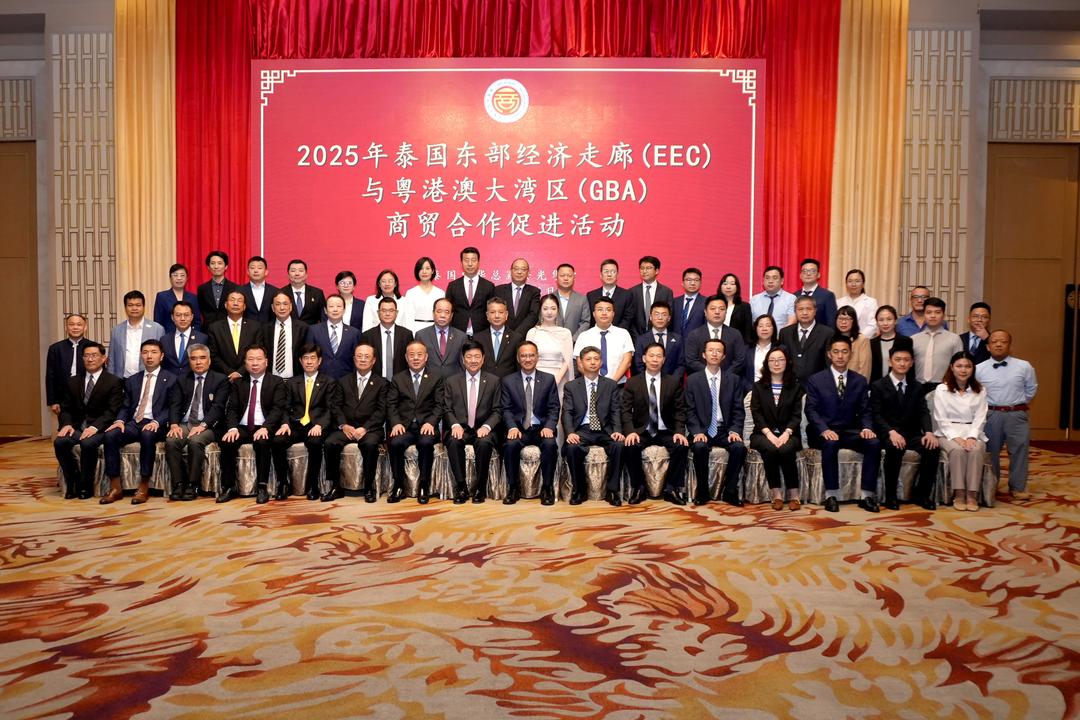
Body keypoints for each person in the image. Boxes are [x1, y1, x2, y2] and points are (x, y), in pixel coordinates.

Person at [804, 336, 881, 513]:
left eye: (844, 352)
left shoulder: (859, 380)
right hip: (824, 431)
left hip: (849, 431)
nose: (840, 356)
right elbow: (811, 410)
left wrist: (867, 427)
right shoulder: (816, 379)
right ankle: (831, 495)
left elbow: (866, 410)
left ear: (850, 354)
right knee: (831, 443)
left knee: (874, 443)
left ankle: (866, 496)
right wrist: (824, 429)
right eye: (836, 352)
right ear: (829, 354)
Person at [101, 340, 176, 505]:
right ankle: (115, 487)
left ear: (161, 356)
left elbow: (171, 407)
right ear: (141, 355)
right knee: (110, 435)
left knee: (147, 434)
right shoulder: (132, 380)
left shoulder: (171, 379)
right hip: (134, 422)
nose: (149, 356)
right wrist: (120, 420)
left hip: (156, 423)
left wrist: (157, 421)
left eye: (154, 352)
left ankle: (143, 486)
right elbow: (126, 405)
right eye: (145, 352)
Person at [620, 342, 690, 506]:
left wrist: (679, 431)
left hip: (665, 430)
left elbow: (680, 410)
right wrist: (630, 431)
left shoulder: (673, 382)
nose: (655, 359)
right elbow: (625, 411)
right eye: (651, 356)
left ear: (664, 360)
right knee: (630, 446)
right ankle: (638, 488)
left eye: (659, 356)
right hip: (642, 430)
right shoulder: (633, 382)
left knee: (681, 446)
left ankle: (672, 489)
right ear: (644, 358)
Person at [216, 345, 288, 504]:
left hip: (264, 425)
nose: (255, 363)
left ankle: (262, 487)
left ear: (266, 362)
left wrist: (266, 427)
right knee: (227, 441)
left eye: (258, 359)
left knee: (262, 442)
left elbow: (277, 409)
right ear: (245, 363)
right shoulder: (238, 383)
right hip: (243, 426)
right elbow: (232, 409)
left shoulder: (276, 382)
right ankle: (229, 487)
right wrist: (232, 428)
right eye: (250, 359)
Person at [871, 346, 940, 511]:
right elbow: (876, 415)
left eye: (906, 360)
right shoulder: (878, 385)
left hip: (912, 433)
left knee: (932, 448)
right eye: (898, 360)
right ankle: (890, 497)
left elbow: (923, 411)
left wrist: (929, 432)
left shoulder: (916, 386)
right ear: (890, 362)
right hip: (889, 433)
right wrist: (891, 432)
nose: (902, 363)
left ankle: (922, 495)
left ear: (911, 363)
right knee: (895, 447)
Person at [54, 341, 124, 499]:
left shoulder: (114, 382)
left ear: (104, 358)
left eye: (94, 355)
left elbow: (112, 411)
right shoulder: (73, 381)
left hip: (100, 428)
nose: (90, 359)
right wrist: (67, 424)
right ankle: (72, 482)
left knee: (88, 443)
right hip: (77, 427)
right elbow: (66, 408)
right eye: (86, 356)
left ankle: (86, 485)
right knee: (60, 442)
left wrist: (94, 427)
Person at [272, 343, 341, 501]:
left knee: (315, 443)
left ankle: (313, 485)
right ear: (300, 361)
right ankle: (283, 483)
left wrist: (320, 425)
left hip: (316, 425)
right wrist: (285, 423)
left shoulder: (329, 382)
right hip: (296, 425)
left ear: (319, 361)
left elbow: (331, 409)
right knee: (277, 441)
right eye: (305, 358)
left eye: (312, 358)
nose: (309, 361)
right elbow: (285, 407)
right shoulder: (291, 383)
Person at [976, 330, 1038, 500]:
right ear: (988, 347)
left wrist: (1015, 403)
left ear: (1009, 345)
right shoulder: (979, 369)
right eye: (994, 341)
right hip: (990, 415)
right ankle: (991, 485)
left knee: (1019, 451)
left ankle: (1018, 487)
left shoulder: (1024, 366)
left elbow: (1031, 389)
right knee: (990, 452)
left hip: (1016, 414)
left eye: (1003, 341)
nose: (998, 344)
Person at [685, 338, 747, 506]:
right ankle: (703, 491)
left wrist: (735, 430)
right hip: (702, 430)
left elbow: (738, 410)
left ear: (724, 356)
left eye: (718, 351)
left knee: (739, 447)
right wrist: (697, 432)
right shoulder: (693, 380)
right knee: (699, 447)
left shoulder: (733, 380)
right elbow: (689, 410)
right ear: (703, 355)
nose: (714, 354)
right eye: (711, 350)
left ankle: (730, 492)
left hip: (724, 430)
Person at [324, 342, 388, 503]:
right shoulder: (343, 381)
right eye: (359, 356)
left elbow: (381, 410)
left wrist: (365, 428)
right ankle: (336, 486)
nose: (363, 359)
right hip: (347, 427)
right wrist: (344, 425)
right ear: (354, 359)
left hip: (370, 429)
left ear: (374, 360)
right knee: (330, 443)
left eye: (367, 356)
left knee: (370, 445)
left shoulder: (382, 383)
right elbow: (336, 406)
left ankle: (369, 487)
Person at [165, 343, 228, 502]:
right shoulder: (182, 379)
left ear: (209, 360)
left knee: (195, 441)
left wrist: (203, 425)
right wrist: (174, 424)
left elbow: (218, 407)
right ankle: (179, 484)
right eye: (193, 359)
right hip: (185, 423)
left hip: (209, 425)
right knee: (171, 440)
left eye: (202, 358)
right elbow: (175, 404)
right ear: (189, 361)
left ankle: (193, 485)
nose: (198, 362)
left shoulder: (220, 380)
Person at [561, 346, 624, 505]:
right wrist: (570, 433)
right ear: (581, 363)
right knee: (572, 447)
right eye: (588, 359)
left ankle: (612, 491)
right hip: (582, 429)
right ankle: (579, 491)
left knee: (619, 445)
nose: (593, 362)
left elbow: (615, 410)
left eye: (596, 359)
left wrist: (617, 430)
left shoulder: (610, 385)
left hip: (605, 429)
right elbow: (567, 412)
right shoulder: (571, 386)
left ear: (601, 362)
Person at [501, 341, 561, 505]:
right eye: (524, 356)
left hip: (541, 428)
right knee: (510, 445)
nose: (527, 359)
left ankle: (547, 488)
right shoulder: (508, 381)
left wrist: (549, 426)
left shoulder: (548, 379)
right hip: (519, 429)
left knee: (550, 445)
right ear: (518, 358)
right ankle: (513, 488)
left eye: (531, 355)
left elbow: (554, 407)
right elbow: (506, 409)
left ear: (537, 357)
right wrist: (512, 427)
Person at [443, 340, 503, 504]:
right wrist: (455, 425)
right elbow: (446, 408)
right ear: (463, 360)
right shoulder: (451, 381)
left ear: (483, 359)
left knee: (484, 443)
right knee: (453, 441)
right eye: (469, 357)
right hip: (460, 428)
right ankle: (461, 487)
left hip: (483, 428)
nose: (473, 360)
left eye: (477, 356)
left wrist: (487, 426)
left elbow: (498, 410)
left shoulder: (493, 381)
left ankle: (480, 488)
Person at [386, 340, 443, 503]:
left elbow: (440, 404)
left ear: (426, 357)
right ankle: (398, 485)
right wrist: (396, 423)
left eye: (419, 354)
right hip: (404, 427)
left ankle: (424, 485)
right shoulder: (398, 378)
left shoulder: (436, 378)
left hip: (426, 426)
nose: (416, 358)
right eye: (412, 355)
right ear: (406, 357)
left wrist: (431, 422)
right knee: (395, 443)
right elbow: (391, 404)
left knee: (426, 443)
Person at [749, 346, 804, 510]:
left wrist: (786, 433)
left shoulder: (795, 387)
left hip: (789, 433)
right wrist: (770, 435)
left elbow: (796, 415)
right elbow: (756, 413)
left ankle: (794, 495)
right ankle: (777, 495)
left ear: (787, 362)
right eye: (772, 360)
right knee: (771, 449)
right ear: (767, 364)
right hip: (762, 434)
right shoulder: (758, 387)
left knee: (786, 449)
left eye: (780, 360)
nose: (776, 363)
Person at [932, 351, 988, 511]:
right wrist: (956, 438)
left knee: (975, 450)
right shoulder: (942, 389)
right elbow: (941, 418)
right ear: (952, 367)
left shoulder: (980, 390)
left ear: (973, 368)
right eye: (959, 366)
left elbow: (981, 417)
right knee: (957, 450)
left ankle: (972, 495)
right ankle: (959, 493)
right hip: (947, 433)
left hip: (973, 431)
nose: (963, 370)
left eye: (967, 366)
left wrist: (972, 437)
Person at [575, 296, 635, 385]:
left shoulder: (623, 334)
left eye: (608, 310)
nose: (604, 313)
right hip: (591, 385)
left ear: (613, 314)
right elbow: (580, 364)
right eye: (600, 310)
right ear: (594, 314)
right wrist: (595, 383)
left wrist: (611, 384)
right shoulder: (584, 336)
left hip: (618, 385)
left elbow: (627, 362)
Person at [682, 295, 747, 377]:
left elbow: (740, 360)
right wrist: (710, 373)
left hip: (729, 379)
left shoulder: (735, 334)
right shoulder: (694, 335)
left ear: (726, 312)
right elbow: (691, 360)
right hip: (701, 379)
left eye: (721, 309)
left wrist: (724, 375)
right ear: (705, 312)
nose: (717, 312)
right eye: (713, 309)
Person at [206, 290, 264, 380]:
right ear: (226, 304)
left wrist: (240, 372)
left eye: (239, 301)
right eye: (232, 300)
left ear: (244, 306)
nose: (236, 303)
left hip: (248, 377)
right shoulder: (214, 327)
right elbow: (213, 355)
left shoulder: (255, 327)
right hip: (223, 378)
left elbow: (258, 352)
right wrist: (230, 372)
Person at [526, 293, 575, 399]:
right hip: (536, 380)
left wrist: (555, 381)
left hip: (559, 380)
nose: (549, 312)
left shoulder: (565, 333)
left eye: (553, 308)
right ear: (540, 310)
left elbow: (567, 361)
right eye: (545, 308)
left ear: (558, 310)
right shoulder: (532, 332)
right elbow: (527, 359)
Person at [107, 290, 165, 378]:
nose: (134, 308)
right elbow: (112, 359)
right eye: (130, 305)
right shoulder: (117, 330)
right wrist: (110, 379)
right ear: (125, 307)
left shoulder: (157, 329)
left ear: (143, 307)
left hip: (148, 378)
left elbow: (162, 358)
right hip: (122, 379)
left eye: (138, 305)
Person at [45, 313, 92, 422]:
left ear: (85, 327)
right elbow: (50, 376)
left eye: (79, 324)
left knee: (87, 427)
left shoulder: (93, 347)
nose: (75, 327)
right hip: (63, 397)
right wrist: (53, 401)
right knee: (65, 427)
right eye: (71, 324)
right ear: (66, 327)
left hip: (87, 395)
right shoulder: (55, 348)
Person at [778, 296, 832, 382]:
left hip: (816, 385)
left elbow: (828, 364)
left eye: (809, 309)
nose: (804, 313)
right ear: (795, 311)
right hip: (790, 385)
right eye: (800, 309)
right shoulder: (785, 333)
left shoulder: (827, 333)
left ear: (815, 311)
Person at [360, 296, 415, 382]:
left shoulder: (406, 335)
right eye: (384, 310)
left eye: (391, 310)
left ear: (396, 313)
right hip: (375, 382)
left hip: (401, 382)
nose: (387, 314)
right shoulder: (368, 336)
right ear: (378, 312)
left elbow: (410, 360)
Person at [309, 294, 361, 379]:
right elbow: (309, 356)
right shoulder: (314, 330)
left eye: (339, 306)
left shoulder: (354, 333)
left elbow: (356, 359)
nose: (335, 309)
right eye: (331, 306)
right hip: (320, 379)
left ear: (344, 310)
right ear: (325, 310)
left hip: (346, 380)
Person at [445, 247, 494, 336]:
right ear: (461, 263)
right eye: (466, 260)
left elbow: (492, 311)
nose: (470, 264)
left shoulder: (488, 286)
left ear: (478, 262)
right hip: (457, 334)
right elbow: (448, 310)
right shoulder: (453, 286)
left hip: (482, 334)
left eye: (473, 260)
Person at [912, 297, 963, 383]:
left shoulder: (954, 339)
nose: (933, 316)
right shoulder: (913, 339)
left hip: (944, 386)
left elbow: (959, 365)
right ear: (924, 315)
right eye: (929, 312)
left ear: (944, 315)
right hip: (918, 386)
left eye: (937, 312)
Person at [415, 297, 466, 378]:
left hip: (454, 382)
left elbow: (463, 364)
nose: (442, 315)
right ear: (433, 313)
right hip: (429, 381)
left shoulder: (461, 337)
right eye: (439, 311)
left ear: (451, 315)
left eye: (447, 312)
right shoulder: (421, 335)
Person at [265, 291, 310, 379]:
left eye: (285, 304)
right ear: (273, 308)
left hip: (295, 380)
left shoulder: (303, 328)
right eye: (278, 304)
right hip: (271, 380)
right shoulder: (265, 329)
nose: (282, 308)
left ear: (291, 307)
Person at [632, 301, 684, 378]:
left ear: (669, 318)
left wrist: (672, 381)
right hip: (648, 382)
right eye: (656, 314)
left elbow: (681, 364)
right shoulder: (641, 339)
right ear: (650, 317)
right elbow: (638, 364)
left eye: (664, 314)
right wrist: (650, 380)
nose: (660, 318)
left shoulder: (678, 339)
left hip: (672, 382)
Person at [474, 296, 522, 377]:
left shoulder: (516, 338)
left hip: (508, 382)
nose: (497, 316)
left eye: (501, 312)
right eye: (492, 312)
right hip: (485, 382)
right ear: (487, 315)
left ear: (506, 315)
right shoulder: (478, 338)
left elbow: (518, 366)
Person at [627, 255, 675, 337]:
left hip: (658, 337)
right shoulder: (632, 292)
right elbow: (629, 318)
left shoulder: (666, 292)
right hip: (636, 337)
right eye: (642, 268)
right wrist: (637, 337)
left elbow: (668, 316)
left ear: (657, 271)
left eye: (648, 268)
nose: (644, 271)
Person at [494, 257, 540, 335]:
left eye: (523, 269)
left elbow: (533, 315)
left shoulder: (534, 292)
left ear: (528, 272)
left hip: (524, 335)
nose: (519, 272)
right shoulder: (499, 290)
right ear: (510, 271)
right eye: (516, 269)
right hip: (502, 334)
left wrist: (517, 334)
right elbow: (495, 312)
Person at [161, 301, 208, 376]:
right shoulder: (164, 339)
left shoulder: (202, 338)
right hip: (170, 381)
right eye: (178, 315)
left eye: (186, 315)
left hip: (192, 380)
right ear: (172, 317)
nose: (182, 318)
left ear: (192, 317)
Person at [868, 305, 913, 383]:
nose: (885, 323)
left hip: (900, 385)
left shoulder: (906, 341)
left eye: (889, 319)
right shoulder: (871, 343)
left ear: (895, 321)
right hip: (876, 386)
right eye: (881, 320)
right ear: (877, 322)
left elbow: (910, 367)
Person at [586, 258, 633, 332]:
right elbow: (589, 319)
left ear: (617, 275)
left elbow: (628, 318)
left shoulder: (627, 295)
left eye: (613, 271)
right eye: (606, 271)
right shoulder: (591, 296)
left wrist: (614, 332)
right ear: (601, 275)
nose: (609, 274)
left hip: (618, 334)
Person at [153, 263, 201, 334]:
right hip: (168, 336)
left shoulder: (193, 298)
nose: (179, 278)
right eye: (175, 275)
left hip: (189, 337)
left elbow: (197, 322)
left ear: (187, 278)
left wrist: (194, 336)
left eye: (182, 275)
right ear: (170, 278)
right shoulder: (162, 296)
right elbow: (158, 321)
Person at [402, 256, 444, 333]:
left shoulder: (440, 293)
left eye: (427, 268)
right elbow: (408, 318)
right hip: (416, 331)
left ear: (433, 271)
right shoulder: (411, 293)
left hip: (436, 331)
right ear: (417, 272)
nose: (424, 272)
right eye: (421, 269)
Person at [196, 250, 237, 328]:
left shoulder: (234, 288)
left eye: (219, 263)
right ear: (208, 267)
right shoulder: (202, 289)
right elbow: (201, 310)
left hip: (229, 328)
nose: (216, 266)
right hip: (208, 328)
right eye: (212, 263)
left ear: (226, 266)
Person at [793, 258, 837, 328]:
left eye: (812, 271)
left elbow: (831, 323)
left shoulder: (827, 296)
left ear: (818, 274)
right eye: (805, 271)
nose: (808, 274)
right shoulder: (794, 296)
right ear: (800, 275)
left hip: (821, 334)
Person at [836, 269, 879, 339]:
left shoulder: (871, 302)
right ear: (846, 284)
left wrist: (859, 338)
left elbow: (873, 324)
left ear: (863, 284)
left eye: (857, 281)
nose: (853, 284)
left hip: (863, 340)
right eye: (850, 281)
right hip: (842, 340)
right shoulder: (839, 302)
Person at [554, 262, 592, 339]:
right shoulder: (549, 299)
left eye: (569, 276)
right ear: (556, 277)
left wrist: (573, 339)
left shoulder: (582, 299)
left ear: (574, 278)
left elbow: (585, 322)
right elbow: (543, 321)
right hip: (552, 341)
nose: (566, 278)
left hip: (575, 342)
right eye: (562, 275)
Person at [284, 258, 326, 325]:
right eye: (293, 271)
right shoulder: (281, 293)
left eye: (301, 270)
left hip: (312, 331)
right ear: (288, 274)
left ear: (306, 274)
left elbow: (323, 318)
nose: (297, 274)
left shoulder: (317, 293)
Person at [834, 306, 871, 378]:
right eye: (840, 319)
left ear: (854, 321)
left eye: (847, 319)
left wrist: (859, 383)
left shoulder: (862, 340)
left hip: (855, 382)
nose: (843, 322)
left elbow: (865, 369)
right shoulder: (832, 338)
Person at [240, 255, 278, 323]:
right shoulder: (240, 290)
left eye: (259, 268)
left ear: (266, 272)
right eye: (252, 268)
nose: (256, 271)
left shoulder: (275, 291)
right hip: (246, 328)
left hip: (269, 328)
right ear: (248, 272)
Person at [717, 272, 754, 342]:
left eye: (732, 284)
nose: (728, 287)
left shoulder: (744, 307)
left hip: (736, 344)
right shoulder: (713, 304)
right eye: (725, 283)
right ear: (720, 287)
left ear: (737, 287)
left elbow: (748, 331)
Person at [672, 267, 706, 339]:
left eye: (696, 280)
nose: (692, 283)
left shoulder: (706, 302)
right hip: (675, 342)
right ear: (682, 283)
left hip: (697, 342)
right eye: (689, 280)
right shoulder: (674, 302)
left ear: (700, 283)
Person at [745, 313, 779, 385]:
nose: (764, 329)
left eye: (768, 325)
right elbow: (741, 374)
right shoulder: (746, 349)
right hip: (751, 389)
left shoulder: (780, 349)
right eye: (760, 326)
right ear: (755, 329)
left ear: (773, 328)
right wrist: (750, 389)